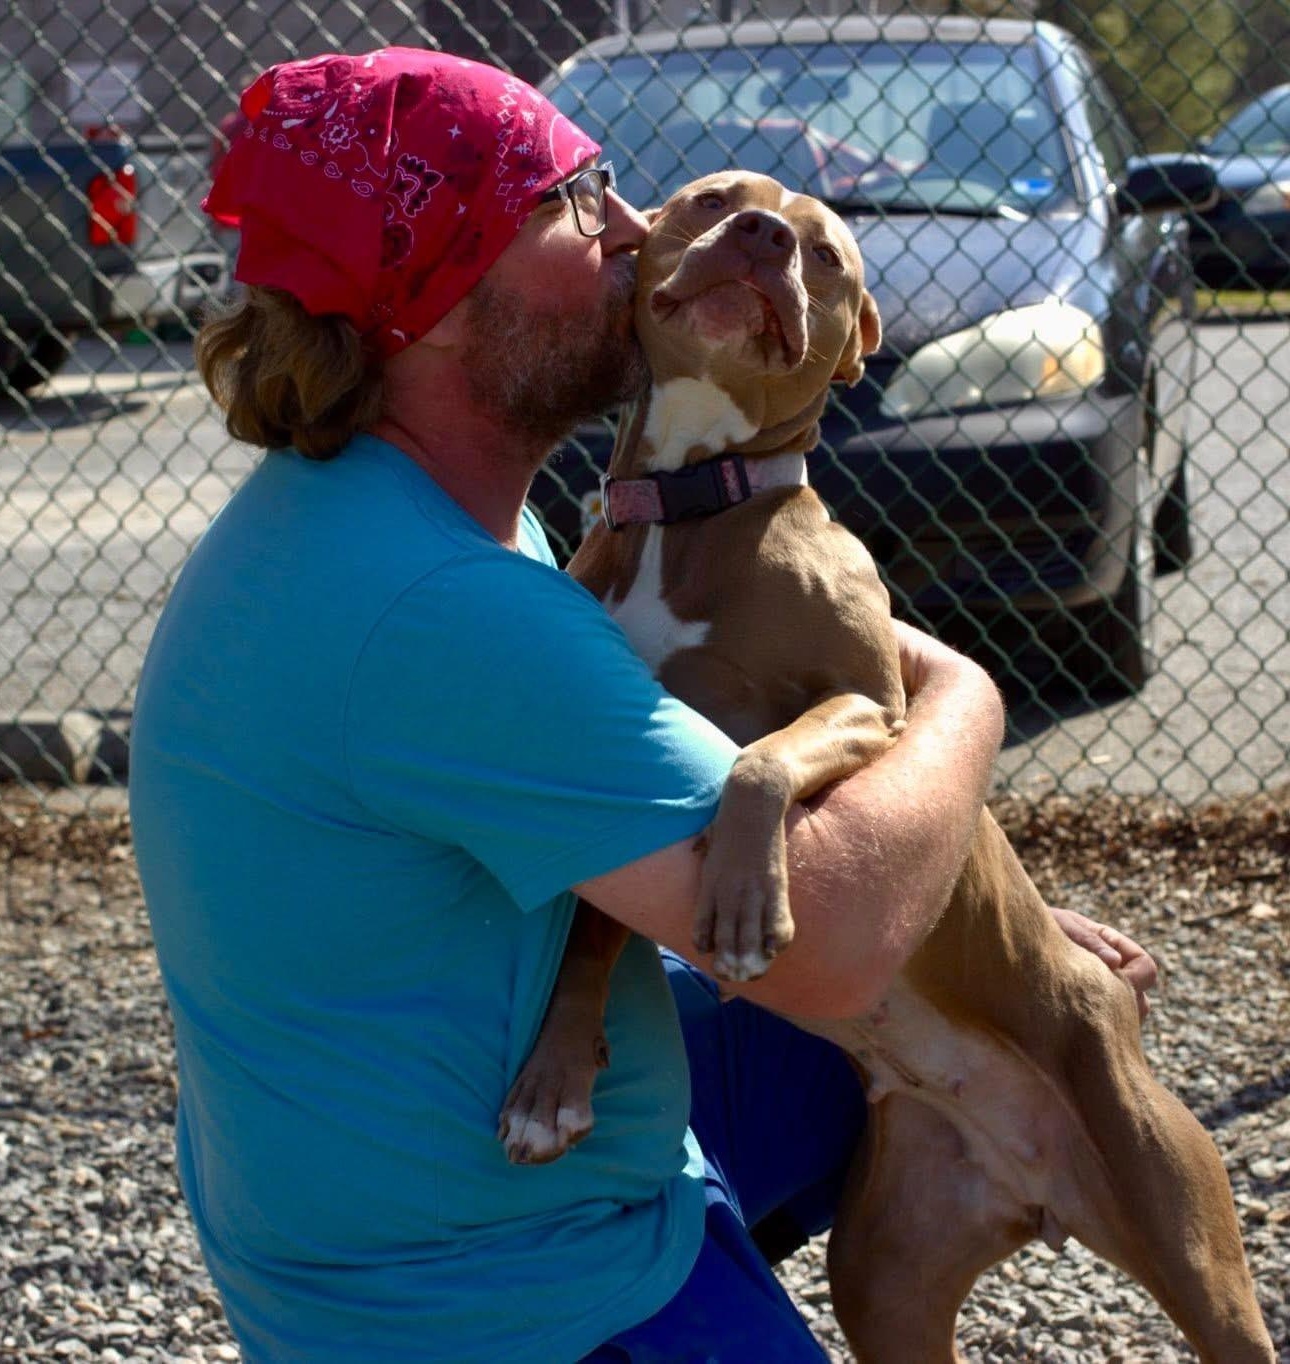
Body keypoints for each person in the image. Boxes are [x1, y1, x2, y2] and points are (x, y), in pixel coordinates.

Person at [129, 47, 1156, 1364]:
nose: (631, 226)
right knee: (881, 955)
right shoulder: (445, 609)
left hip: (404, 1182)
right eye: (573, 200)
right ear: (435, 298)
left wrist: (977, 919)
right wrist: (962, 693)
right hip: (500, 1287)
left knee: (1037, 1007)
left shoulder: (382, 518)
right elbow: (833, 941)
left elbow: (666, 852)